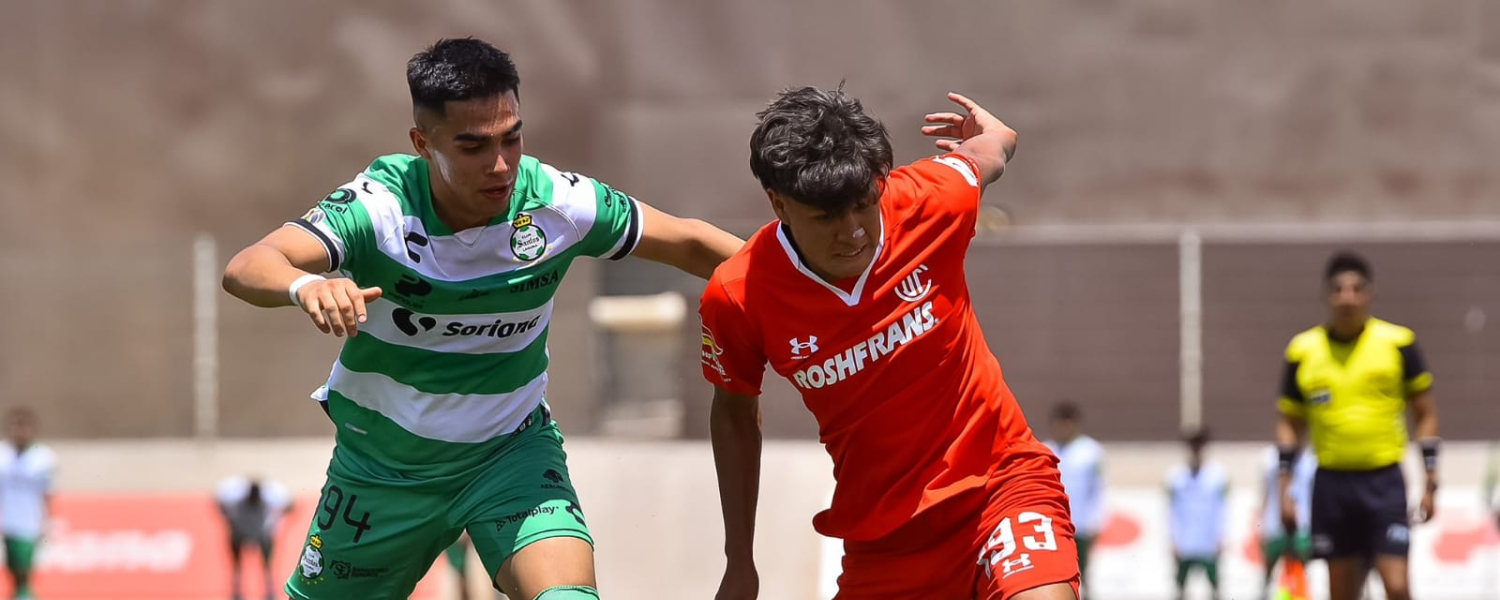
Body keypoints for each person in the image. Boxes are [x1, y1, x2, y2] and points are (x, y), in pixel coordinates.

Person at [221, 37, 743, 600]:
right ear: (423, 143)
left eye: (512, 137)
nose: (501, 165)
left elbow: (691, 242)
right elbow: (248, 266)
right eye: (473, 146)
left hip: (510, 456)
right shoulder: (379, 208)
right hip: (383, 471)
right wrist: (306, 285)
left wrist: (813, 285)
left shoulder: (558, 205)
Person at [701, 85, 1079, 600]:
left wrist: (999, 135)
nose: (854, 232)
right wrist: (739, 561)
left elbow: (990, 153)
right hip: (886, 544)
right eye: (828, 217)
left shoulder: (931, 198)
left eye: (863, 205)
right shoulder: (737, 296)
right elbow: (734, 415)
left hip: (1001, 487)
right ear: (779, 204)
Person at [1275, 251, 1439, 600]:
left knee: (1396, 585)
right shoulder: (1303, 350)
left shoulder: (1398, 343)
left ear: (1369, 294)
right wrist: (1285, 487)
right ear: (1326, 295)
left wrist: (1431, 474)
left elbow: (1424, 412)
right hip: (1332, 483)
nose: (1347, 297)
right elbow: (1290, 422)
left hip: (1384, 481)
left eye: (1356, 289)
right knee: (1343, 592)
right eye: (1338, 289)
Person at [1043, 402, 1104, 592]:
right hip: (1052, 524)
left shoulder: (1091, 452)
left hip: (1081, 523)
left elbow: (1098, 488)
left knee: (1082, 570)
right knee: (1053, 571)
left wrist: (1097, 520)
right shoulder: (1046, 449)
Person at [0, 409, 56, 600]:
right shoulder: (2, 456)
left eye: (24, 428)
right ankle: (19, 593)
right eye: (17, 428)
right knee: (12, 565)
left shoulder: (42, 458)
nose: (20, 433)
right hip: (8, 520)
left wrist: (48, 519)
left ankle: (24, 594)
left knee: (25, 565)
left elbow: (47, 492)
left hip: (30, 521)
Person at [1166, 430, 1227, 600]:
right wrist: (1173, 537)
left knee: (1214, 583)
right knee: (1180, 584)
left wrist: (1221, 535)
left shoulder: (1217, 476)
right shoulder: (1176, 477)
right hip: (1185, 539)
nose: (1195, 451)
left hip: (1208, 539)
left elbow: (1222, 509)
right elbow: (1170, 511)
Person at [216, 476, 294, 600]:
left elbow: (291, 506)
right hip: (240, 532)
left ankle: (269, 591)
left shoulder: (273, 496)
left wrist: (278, 522)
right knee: (236, 563)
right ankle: (237, 591)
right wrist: (230, 522)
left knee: (267, 564)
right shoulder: (234, 497)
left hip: (262, 534)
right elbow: (219, 503)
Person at [1257, 444, 1315, 599]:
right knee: (1269, 571)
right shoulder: (1270, 458)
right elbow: (1265, 494)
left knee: (1301, 570)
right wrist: (1260, 526)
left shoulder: (1310, 460)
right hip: (1274, 524)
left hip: (1302, 525)